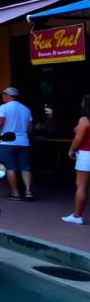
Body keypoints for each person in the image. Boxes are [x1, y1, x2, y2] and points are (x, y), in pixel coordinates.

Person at [0, 87, 34, 201]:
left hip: (7, 142)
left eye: (3, 95)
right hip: (24, 142)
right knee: (25, 168)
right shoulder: (26, 109)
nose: (3, 97)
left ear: (7, 95)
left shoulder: (4, 107)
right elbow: (30, 128)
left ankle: (15, 194)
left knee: (10, 168)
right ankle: (28, 191)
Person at [63, 95, 90, 225]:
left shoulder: (85, 119)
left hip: (86, 153)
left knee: (82, 186)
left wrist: (71, 149)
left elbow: (79, 138)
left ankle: (77, 215)